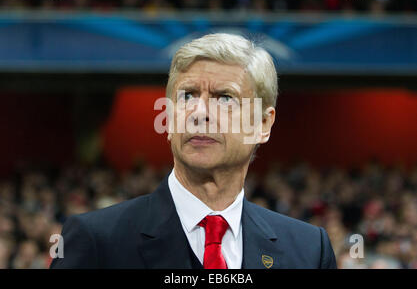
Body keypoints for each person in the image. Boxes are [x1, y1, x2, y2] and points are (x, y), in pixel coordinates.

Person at [50, 33, 337, 269]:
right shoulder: (96, 241)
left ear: (262, 123)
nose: (199, 112)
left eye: (225, 98)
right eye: (187, 96)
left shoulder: (310, 251)